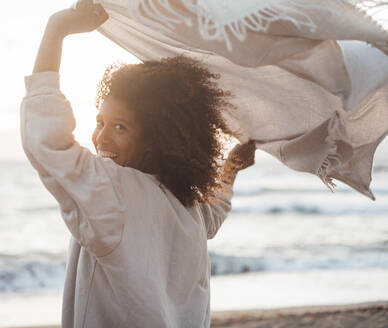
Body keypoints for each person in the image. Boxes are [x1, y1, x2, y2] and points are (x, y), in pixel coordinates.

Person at [20, 1, 256, 327]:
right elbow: (213, 214)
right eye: (100, 121)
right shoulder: (185, 202)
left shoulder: (114, 192)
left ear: (157, 139)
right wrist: (230, 169)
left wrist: (56, 30)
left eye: (121, 127)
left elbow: (45, 140)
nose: (101, 137)